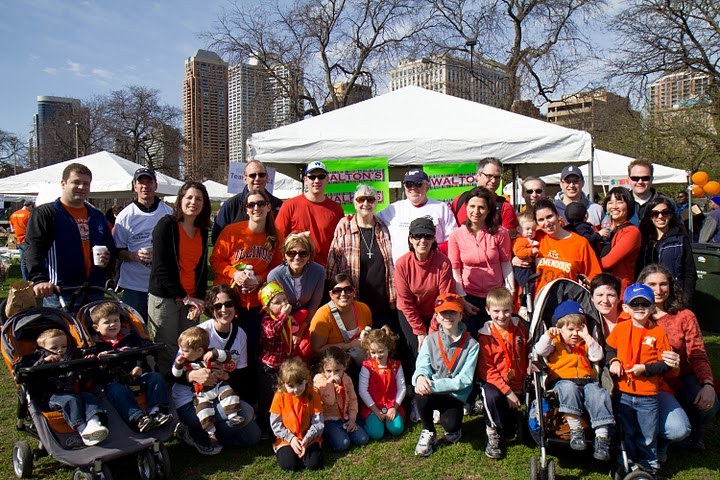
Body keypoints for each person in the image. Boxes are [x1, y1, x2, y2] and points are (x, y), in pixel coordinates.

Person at [638, 265, 718, 456]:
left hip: (682, 378)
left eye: (663, 284)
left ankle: (694, 431)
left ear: (671, 286)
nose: (658, 290)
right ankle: (667, 439)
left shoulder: (684, 316)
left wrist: (708, 384)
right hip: (650, 382)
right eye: (652, 285)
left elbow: (697, 354)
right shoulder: (635, 315)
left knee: (709, 405)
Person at [172, 284, 260, 455]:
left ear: (235, 306)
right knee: (246, 412)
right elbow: (174, 373)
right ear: (211, 310)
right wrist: (191, 375)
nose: (224, 310)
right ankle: (193, 430)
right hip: (191, 399)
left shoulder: (240, 334)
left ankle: (208, 433)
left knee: (253, 437)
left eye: (228, 304)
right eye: (218, 306)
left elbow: (240, 373)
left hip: (219, 394)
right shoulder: (200, 333)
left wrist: (226, 375)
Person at [605, 283, 675, 476]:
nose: (640, 308)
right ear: (626, 308)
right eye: (634, 304)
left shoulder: (658, 333)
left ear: (653, 307)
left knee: (647, 433)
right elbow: (609, 348)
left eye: (645, 304)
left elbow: (666, 363)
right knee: (625, 430)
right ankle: (624, 463)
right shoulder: (620, 328)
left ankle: (650, 465)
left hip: (647, 395)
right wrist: (614, 361)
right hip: (622, 392)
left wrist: (645, 369)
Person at [25, 163, 114, 310]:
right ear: (63, 184)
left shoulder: (96, 215)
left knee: (94, 332)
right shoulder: (47, 213)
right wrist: (39, 280)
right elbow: (33, 249)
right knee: (63, 333)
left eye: (86, 184)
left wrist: (107, 260)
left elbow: (109, 245)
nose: (81, 187)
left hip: (94, 290)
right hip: (61, 291)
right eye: (76, 182)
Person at [532, 300, 614, 461]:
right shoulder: (555, 343)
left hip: (586, 381)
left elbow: (597, 356)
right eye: (570, 330)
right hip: (563, 381)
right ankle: (576, 429)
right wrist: (549, 335)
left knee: (599, 393)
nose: (575, 334)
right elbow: (539, 350)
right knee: (569, 388)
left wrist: (589, 338)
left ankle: (602, 437)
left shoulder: (585, 344)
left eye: (579, 329)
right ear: (559, 329)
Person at [210, 188, 284, 360]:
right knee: (225, 350)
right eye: (251, 204)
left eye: (261, 204)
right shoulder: (231, 231)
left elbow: (278, 268)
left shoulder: (275, 236)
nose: (256, 208)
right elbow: (215, 260)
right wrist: (234, 273)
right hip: (229, 302)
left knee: (252, 349)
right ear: (246, 209)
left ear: (268, 207)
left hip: (256, 304)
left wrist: (259, 279)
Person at [394, 216, 455, 421]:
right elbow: (405, 301)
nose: (422, 241)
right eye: (418, 236)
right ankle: (415, 396)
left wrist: (430, 332)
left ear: (433, 239)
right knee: (414, 351)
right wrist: (420, 332)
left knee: (436, 349)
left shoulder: (443, 263)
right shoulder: (402, 264)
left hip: (437, 311)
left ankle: (436, 394)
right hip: (410, 313)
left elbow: (444, 298)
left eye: (427, 236)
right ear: (410, 239)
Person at [147, 181, 210, 375]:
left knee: (191, 348)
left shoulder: (202, 231)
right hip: (166, 299)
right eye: (189, 197)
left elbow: (201, 269)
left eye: (198, 199)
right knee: (168, 350)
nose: (193, 202)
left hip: (190, 301)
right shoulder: (166, 225)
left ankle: (185, 389)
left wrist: (198, 299)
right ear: (180, 200)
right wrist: (184, 297)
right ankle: (167, 394)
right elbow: (161, 267)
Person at [412, 292, 479, 457]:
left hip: (454, 395)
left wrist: (433, 385)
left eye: (453, 312)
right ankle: (428, 431)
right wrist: (420, 377)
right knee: (420, 391)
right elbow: (422, 365)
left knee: (450, 427)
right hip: (433, 392)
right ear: (437, 317)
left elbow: (465, 379)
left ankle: (451, 421)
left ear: (460, 315)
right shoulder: (430, 340)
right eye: (444, 313)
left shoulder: (472, 344)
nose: (448, 316)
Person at [90, 302, 172, 432]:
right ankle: (138, 418)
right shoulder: (95, 346)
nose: (112, 324)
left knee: (155, 377)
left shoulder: (130, 338)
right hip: (113, 382)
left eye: (116, 320)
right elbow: (94, 373)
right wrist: (100, 362)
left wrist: (139, 366)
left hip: (135, 377)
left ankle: (157, 411)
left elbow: (141, 355)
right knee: (117, 390)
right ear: (96, 327)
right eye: (107, 322)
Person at [23, 329, 109, 446]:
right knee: (70, 400)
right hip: (51, 396)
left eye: (64, 346)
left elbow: (80, 378)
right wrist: (44, 362)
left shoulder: (70, 357)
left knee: (89, 397)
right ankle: (83, 430)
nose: (60, 350)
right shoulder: (36, 358)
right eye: (54, 348)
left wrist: (87, 366)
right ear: (42, 347)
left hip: (73, 391)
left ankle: (93, 424)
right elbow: (30, 377)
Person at [326, 184, 396, 327]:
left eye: (370, 199)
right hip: (354, 304)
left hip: (383, 304)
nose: (365, 204)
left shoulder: (385, 228)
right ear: (354, 203)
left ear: (376, 203)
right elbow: (331, 269)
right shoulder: (343, 230)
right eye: (361, 199)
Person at [448, 186, 513, 338]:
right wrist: (462, 300)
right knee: (471, 340)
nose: (476, 212)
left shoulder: (500, 233)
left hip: (495, 296)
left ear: (489, 210)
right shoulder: (456, 235)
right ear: (466, 208)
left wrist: (510, 294)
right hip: (469, 296)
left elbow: (506, 264)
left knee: (495, 340)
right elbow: (455, 269)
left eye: (481, 207)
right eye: (472, 206)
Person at [113, 167, 173, 321]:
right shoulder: (125, 216)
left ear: (156, 185)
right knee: (134, 329)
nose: (145, 186)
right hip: (134, 285)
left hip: (162, 284)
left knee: (162, 331)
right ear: (135, 186)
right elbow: (118, 251)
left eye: (149, 182)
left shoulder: (169, 212)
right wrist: (132, 255)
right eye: (141, 183)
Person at [477, 287, 529, 459]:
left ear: (512, 309)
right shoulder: (485, 336)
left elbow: (527, 354)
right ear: (488, 311)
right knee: (489, 395)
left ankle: (516, 423)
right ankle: (492, 433)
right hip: (497, 385)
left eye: (506, 310)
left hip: (519, 383)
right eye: (496, 311)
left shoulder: (520, 327)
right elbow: (487, 370)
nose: (502, 316)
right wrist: (507, 392)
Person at [172, 326, 244, 444]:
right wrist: (179, 365)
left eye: (184, 351)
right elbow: (175, 375)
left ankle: (233, 416)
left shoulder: (208, 354)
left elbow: (226, 356)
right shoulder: (185, 362)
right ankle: (211, 433)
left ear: (199, 351)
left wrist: (214, 353)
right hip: (201, 393)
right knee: (203, 411)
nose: (181, 353)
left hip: (218, 386)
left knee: (229, 394)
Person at [375, 168, 458, 262]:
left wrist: (434, 251)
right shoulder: (393, 209)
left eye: (418, 184)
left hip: (434, 269)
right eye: (409, 184)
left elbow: (453, 240)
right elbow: (368, 219)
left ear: (427, 187)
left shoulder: (441, 208)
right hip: (402, 271)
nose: (413, 188)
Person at [267, 232, 325, 361]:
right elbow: (274, 309)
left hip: (307, 319)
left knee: (306, 349)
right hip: (282, 320)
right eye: (291, 253)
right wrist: (290, 330)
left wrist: (300, 331)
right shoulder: (275, 275)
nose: (297, 257)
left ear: (309, 255)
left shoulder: (319, 272)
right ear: (284, 255)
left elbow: (315, 303)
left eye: (303, 253)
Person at [275, 161, 344, 267]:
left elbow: (341, 242)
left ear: (327, 179)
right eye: (312, 177)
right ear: (305, 180)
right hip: (298, 269)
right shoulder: (289, 205)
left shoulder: (336, 209)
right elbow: (278, 239)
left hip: (327, 270)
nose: (316, 181)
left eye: (321, 176)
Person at [257, 281, 300, 436]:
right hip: (270, 367)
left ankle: (283, 423)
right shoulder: (268, 321)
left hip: (284, 364)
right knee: (268, 397)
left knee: (283, 395)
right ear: (267, 308)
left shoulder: (286, 318)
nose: (283, 304)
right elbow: (273, 332)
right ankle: (264, 427)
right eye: (277, 302)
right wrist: (284, 316)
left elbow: (292, 330)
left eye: (284, 300)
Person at [532, 199, 602, 294]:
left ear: (557, 215)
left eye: (549, 217)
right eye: (541, 220)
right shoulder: (537, 237)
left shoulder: (580, 243)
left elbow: (594, 275)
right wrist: (515, 259)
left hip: (569, 302)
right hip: (540, 302)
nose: (547, 223)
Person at [636, 197, 696, 301]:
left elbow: (690, 273)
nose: (660, 217)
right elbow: (639, 270)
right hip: (649, 295)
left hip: (674, 296)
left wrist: (686, 299)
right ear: (650, 217)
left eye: (665, 212)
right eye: (655, 213)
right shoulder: (644, 241)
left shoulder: (680, 240)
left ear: (671, 214)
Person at [270, 358, 324, 471]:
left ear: (305, 380)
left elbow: (318, 422)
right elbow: (275, 423)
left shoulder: (312, 395)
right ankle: (283, 450)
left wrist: (307, 439)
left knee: (314, 464)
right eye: (291, 386)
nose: (296, 389)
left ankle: (307, 450)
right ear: (284, 384)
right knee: (289, 465)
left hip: (309, 438)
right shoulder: (279, 396)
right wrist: (291, 439)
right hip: (286, 439)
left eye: (300, 384)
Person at [211, 160, 283, 244]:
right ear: (245, 179)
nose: (257, 179)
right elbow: (217, 239)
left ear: (267, 177)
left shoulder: (278, 205)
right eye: (252, 175)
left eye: (261, 175)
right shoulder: (230, 205)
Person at [313, 347, 369, 451]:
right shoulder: (319, 380)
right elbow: (329, 401)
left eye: (337, 370)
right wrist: (329, 384)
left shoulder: (346, 379)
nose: (333, 375)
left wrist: (352, 419)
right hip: (328, 420)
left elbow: (353, 400)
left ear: (344, 367)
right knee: (343, 444)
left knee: (363, 439)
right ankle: (328, 435)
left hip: (344, 417)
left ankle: (345, 430)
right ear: (323, 369)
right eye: (329, 371)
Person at [309, 273, 372, 361]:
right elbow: (317, 350)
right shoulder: (323, 315)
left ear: (354, 291)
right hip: (332, 365)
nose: (343, 294)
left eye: (348, 290)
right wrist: (349, 346)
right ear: (331, 294)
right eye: (337, 291)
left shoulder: (363, 309)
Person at [358, 326, 406, 440]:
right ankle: (368, 422)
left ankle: (389, 421)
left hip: (391, 405)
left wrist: (394, 407)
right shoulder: (367, 366)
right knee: (376, 434)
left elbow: (402, 388)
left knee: (397, 429)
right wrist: (375, 410)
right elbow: (362, 390)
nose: (377, 356)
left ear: (388, 349)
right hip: (373, 407)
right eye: (373, 352)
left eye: (381, 352)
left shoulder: (396, 366)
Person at [451, 158, 518, 235]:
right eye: (489, 176)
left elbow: (508, 241)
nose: (493, 181)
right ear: (478, 175)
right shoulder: (460, 200)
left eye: (497, 177)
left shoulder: (505, 207)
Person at [599, 187, 641, 295]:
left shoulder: (631, 232)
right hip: (600, 288)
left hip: (620, 291)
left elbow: (608, 262)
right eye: (610, 202)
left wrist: (585, 264)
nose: (614, 206)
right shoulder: (601, 229)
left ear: (628, 205)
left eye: (619, 202)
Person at [627, 158, 673, 226]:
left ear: (651, 179)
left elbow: (678, 231)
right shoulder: (620, 204)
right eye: (635, 178)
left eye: (645, 178)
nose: (640, 182)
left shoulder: (668, 203)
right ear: (629, 179)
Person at [512, 211, 539, 318]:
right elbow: (518, 252)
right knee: (526, 285)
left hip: (527, 267)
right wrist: (531, 252)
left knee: (530, 284)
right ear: (519, 229)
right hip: (521, 268)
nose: (530, 232)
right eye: (527, 229)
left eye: (533, 230)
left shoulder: (528, 240)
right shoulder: (521, 240)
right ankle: (523, 305)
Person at [590, 273, 628, 338]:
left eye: (610, 295)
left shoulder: (630, 319)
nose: (605, 301)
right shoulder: (588, 323)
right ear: (592, 298)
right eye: (600, 295)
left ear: (619, 298)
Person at [9, 199, 33, 280]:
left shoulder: (13, 215)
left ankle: (25, 279)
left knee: (23, 262)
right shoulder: (29, 214)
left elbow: (12, 229)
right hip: (28, 240)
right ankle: (32, 279)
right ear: (29, 206)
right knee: (31, 260)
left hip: (19, 240)